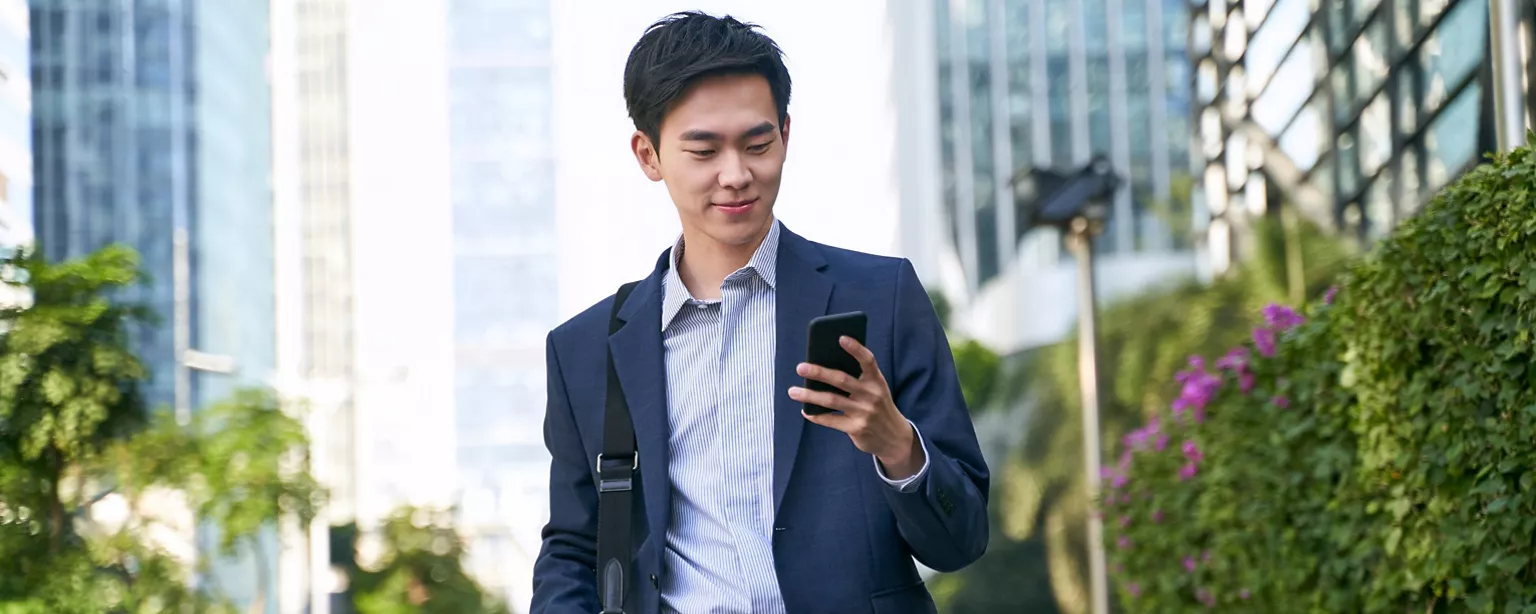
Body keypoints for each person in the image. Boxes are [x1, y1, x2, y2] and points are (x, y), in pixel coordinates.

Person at [531, 11, 989, 614]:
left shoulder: (882, 297)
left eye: (757, 143)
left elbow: (962, 539)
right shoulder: (586, 351)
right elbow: (573, 548)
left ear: (786, 135)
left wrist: (897, 444)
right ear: (649, 155)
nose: (737, 175)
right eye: (703, 150)